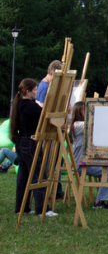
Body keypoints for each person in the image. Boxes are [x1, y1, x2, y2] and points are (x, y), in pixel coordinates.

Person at [10, 78, 57, 217]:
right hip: (30, 142)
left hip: (21, 142)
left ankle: (21, 207)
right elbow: (46, 118)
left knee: (24, 176)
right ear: (27, 91)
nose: (37, 92)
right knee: (39, 174)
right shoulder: (30, 106)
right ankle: (42, 209)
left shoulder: (19, 104)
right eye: (35, 90)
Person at [70, 101, 108, 209]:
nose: (90, 112)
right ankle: (100, 201)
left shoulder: (83, 124)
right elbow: (96, 123)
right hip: (81, 163)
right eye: (86, 110)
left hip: (89, 161)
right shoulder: (78, 125)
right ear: (79, 112)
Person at [36, 59, 65, 199]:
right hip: (45, 131)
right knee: (48, 161)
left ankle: (57, 190)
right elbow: (41, 109)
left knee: (56, 160)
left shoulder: (47, 85)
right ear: (52, 73)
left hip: (52, 129)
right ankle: (47, 191)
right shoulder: (44, 87)